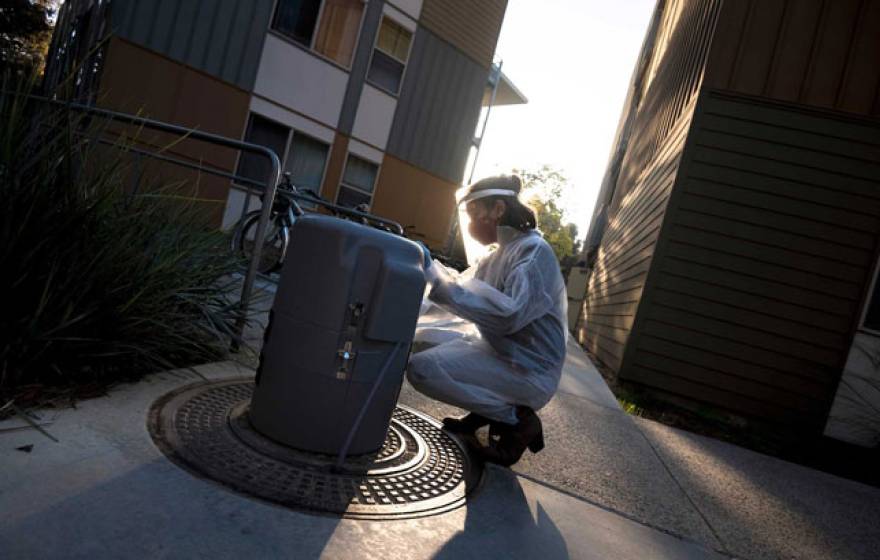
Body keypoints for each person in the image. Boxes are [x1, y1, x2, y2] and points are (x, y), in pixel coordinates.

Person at [408, 174, 568, 467]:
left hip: (530, 371)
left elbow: (509, 317)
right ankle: (484, 412)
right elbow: (459, 292)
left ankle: (516, 420)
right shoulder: (498, 256)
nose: (469, 224)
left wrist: (433, 274)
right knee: (419, 344)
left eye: (473, 214)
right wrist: (415, 286)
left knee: (422, 371)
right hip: (503, 354)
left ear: (498, 209)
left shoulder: (533, 254)